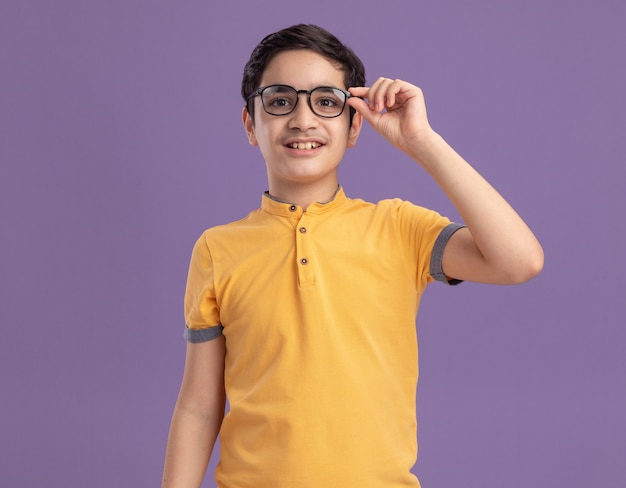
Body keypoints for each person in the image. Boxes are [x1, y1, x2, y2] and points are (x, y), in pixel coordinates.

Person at [162, 23, 543, 488]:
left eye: (325, 102)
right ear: (250, 125)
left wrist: (421, 142)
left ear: (355, 123)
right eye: (280, 101)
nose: (303, 120)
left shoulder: (400, 228)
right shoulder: (217, 249)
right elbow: (199, 408)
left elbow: (519, 261)